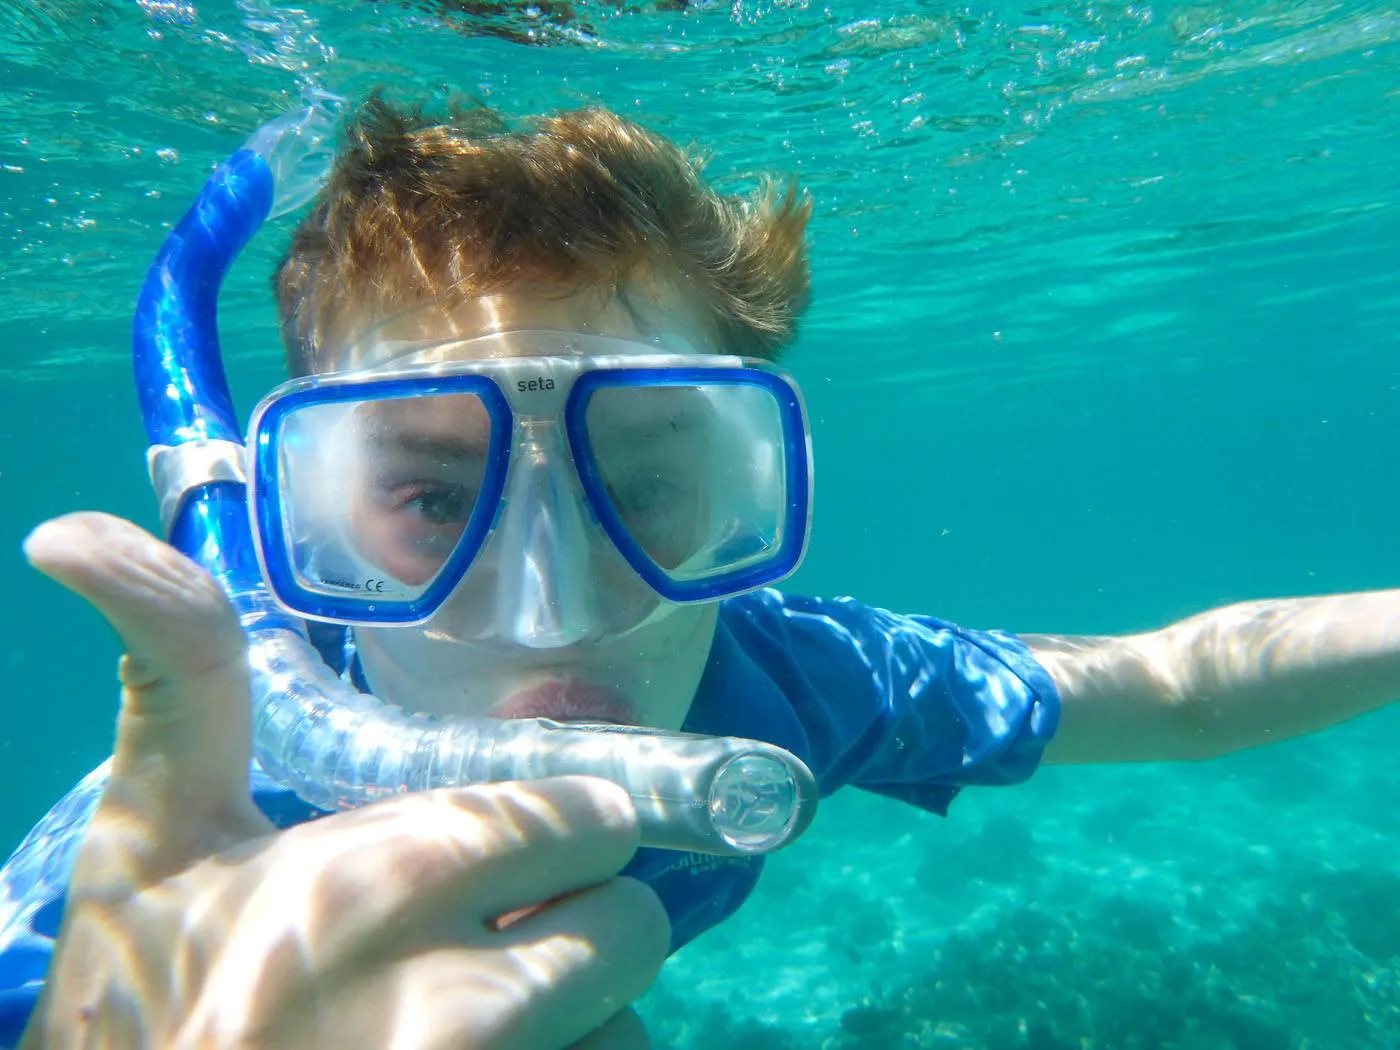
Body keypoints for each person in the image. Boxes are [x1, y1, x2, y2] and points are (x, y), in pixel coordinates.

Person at [7, 94, 1400, 1047]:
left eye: (647, 481)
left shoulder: (784, 686)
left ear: (747, 483)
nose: (550, 600)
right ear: (305, 518)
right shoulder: (180, 860)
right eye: (434, 495)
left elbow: (1173, 689)